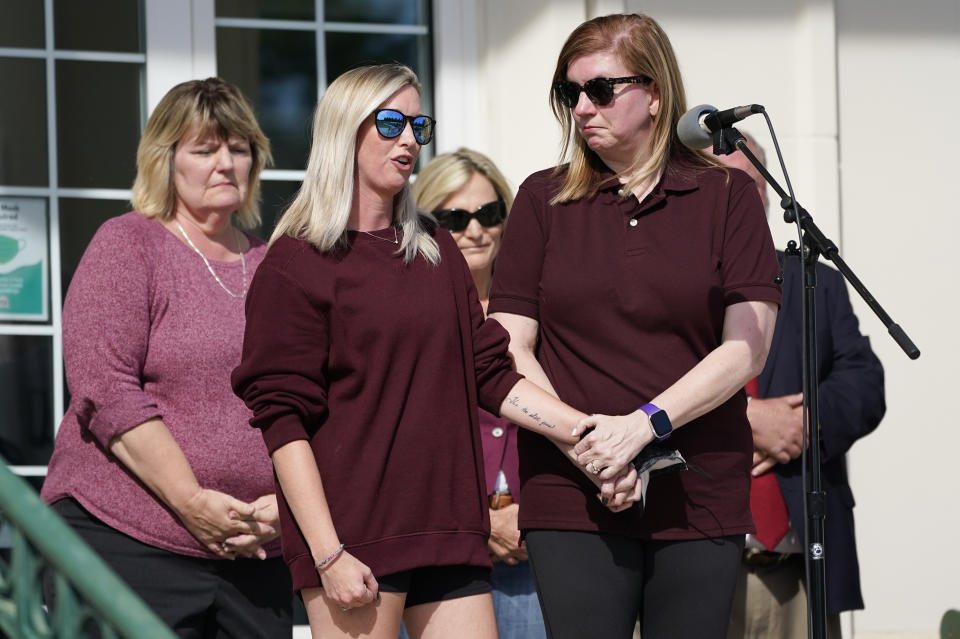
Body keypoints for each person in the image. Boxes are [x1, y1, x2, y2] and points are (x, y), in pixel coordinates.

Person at [231, 63, 639, 639]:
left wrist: (590, 435)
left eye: (418, 125)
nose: (408, 141)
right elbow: (282, 420)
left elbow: (491, 373)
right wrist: (327, 554)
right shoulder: (297, 264)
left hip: (449, 528)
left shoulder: (434, 249)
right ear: (346, 130)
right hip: (354, 537)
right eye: (392, 123)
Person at [488, 13, 782, 639]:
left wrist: (644, 427)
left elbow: (745, 350)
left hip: (697, 487)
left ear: (654, 94)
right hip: (572, 489)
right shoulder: (541, 199)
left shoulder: (726, 195)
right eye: (569, 94)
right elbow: (508, 345)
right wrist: (591, 446)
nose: (581, 108)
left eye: (600, 89)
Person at [40, 78, 293, 636]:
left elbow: (310, 395)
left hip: (257, 556)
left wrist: (286, 505)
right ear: (167, 161)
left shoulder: (277, 264)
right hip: (127, 546)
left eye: (239, 148)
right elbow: (103, 387)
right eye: (205, 150)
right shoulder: (129, 244)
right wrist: (192, 501)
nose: (226, 163)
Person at [715, 135, 886, 638]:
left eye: (745, 186)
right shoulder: (670, 292)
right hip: (700, 570)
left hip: (800, 572)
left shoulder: (816, 283)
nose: (732, 201)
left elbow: (864, 382)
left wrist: (803, 424)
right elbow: (636, 388)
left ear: (767, 196)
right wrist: (746, 422)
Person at [411, 148, 547, 639]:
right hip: (442, 551)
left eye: (489, 214)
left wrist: (530, 512)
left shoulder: (543, 310)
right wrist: (479, 520)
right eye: (454, 217)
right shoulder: (406, 319)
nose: (475, 230)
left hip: (534, 543)